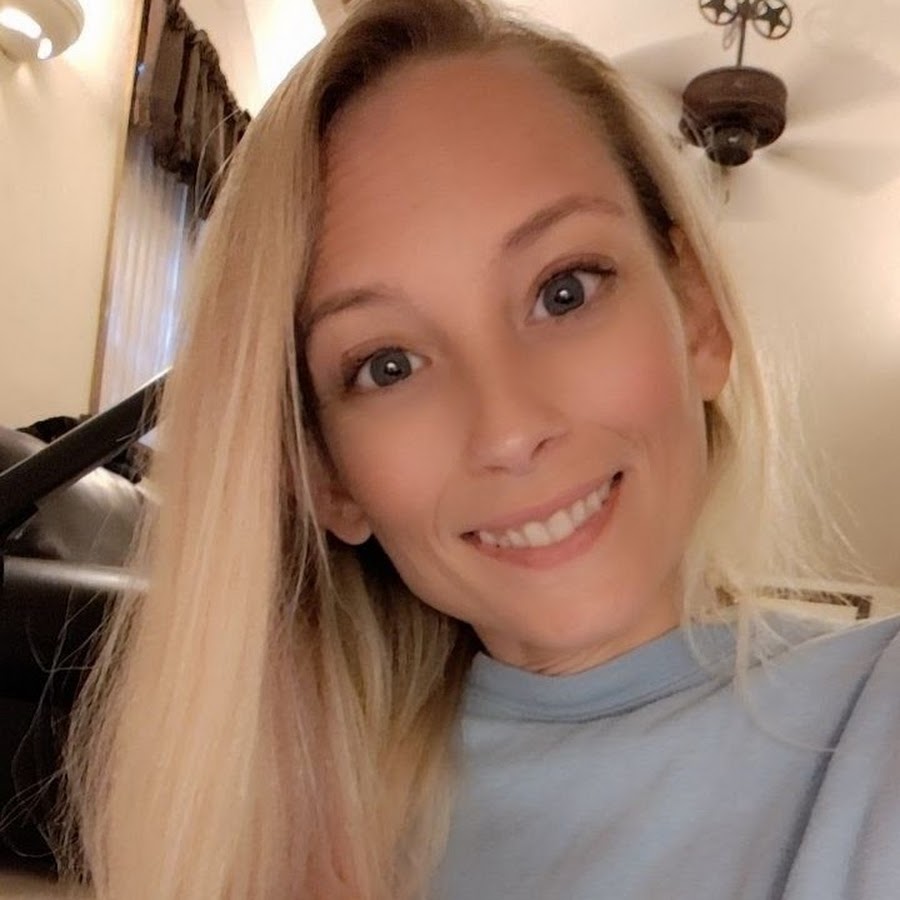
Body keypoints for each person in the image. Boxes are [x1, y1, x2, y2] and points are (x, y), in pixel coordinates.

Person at [59, 1, 900, 898]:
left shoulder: (874, 718)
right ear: (329, 477)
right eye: (388, 365)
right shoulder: (263, 821)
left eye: (565, 291)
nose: (508, 429)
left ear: (695, 314)